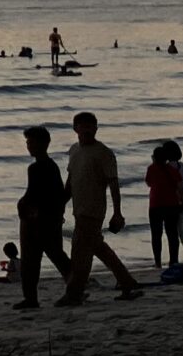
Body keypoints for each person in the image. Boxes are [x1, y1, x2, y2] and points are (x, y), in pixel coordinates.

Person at [57, 111, 142, 305]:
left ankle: (74, 293)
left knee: (79, 252)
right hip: (78, 209)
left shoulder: (103, 153)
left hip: (93, 210)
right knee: (98, 248)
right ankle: (127, 282)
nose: (87, 130)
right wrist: (60, 205)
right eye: (83, 126)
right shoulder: (74, 150)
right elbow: (71, 181)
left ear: (96, 128)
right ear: (75, 128)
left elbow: (113, 184)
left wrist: (117, 212)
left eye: (91, 126)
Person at [14, 126, 70, 311]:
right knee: (54, 255)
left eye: (31, 142)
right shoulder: (50, 166)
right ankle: (74, 286)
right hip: (47, 218)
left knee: (32, 259)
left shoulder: (38, 168)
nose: (29, 146)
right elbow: (58, 194)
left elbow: (34, 194)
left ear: (43, 144)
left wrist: (24, 206)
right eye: (28, 142)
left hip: (38, 219)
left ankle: (31, 298)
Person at [144, 140, 183, 267]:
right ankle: (175, 260)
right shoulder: (175, 169)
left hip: (155, 205)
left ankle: (158, 262)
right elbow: (180, 186)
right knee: (173, 234)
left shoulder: (151, 168)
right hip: (173, 204)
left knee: (156, 234)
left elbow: (148, 183)